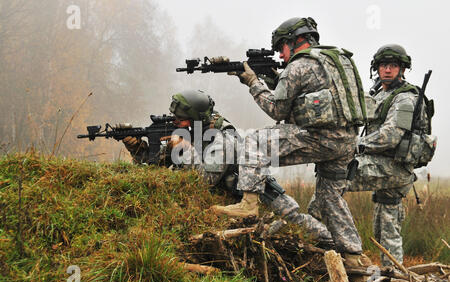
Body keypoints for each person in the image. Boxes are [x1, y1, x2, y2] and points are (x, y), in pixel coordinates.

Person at [209, 17, 371, 265]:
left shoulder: (300, 65)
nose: (281, 55)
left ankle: (248, 204)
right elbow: (306, 92)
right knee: (330, 197)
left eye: (281, 48)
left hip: (321, 138)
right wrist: (273, 77)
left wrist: (253, 82)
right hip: (347, 141)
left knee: (255, 141)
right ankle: (353, 254)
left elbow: (277, 110)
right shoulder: (336, 60)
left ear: (295, 41)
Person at [122, 89, 334, 245]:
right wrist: (137, 149)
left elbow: (205, 181)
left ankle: (338, 243)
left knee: (297, 222)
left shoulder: (221, 140)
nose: (176, 123)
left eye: (180, 119)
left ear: (196, 119)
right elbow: (155, 166)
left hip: (259, 194)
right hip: (229, 200)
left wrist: (185, 149)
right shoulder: (190, 132)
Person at [347, 44, 434, 266]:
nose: (387, 70)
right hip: (384, 164)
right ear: (376, 68)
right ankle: (392, 274)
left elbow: (390, 136)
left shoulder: (405, 99)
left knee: (335, 176)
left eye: (393, 66)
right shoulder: (380, 93)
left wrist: (355, 145)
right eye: (383, 65)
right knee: (385, 223)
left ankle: (338, 245)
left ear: (402, 69)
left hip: (394, 168)